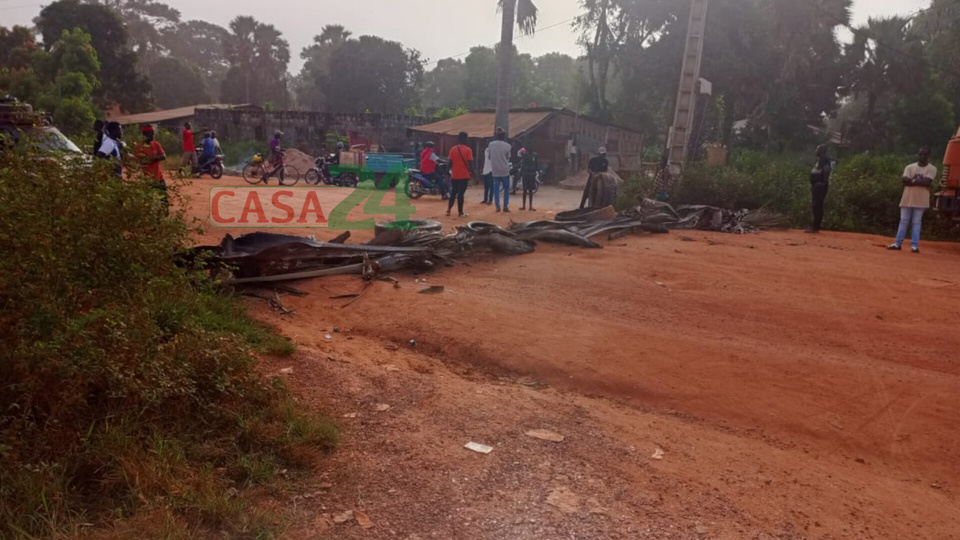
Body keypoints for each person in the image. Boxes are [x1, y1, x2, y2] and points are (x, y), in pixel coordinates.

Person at [888, 146, 937, 253]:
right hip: (907, 198)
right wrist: (918, 181)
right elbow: (904, 180)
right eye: (920, 154)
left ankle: (914, 245)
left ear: (928, 156)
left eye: (925, 154)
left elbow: (927, 182)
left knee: (916, 222)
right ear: (918, 155)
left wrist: (912, 181)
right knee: (903, 221)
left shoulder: (932, 168)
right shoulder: (910, 167)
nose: (922, 156)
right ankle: (898, 243)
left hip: (921, 200)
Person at [135, 123, 168, 205]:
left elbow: (164, 156)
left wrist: (152, 159)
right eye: (151, 134)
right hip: (148, 179)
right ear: (145, 134)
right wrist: (156, 158)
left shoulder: (156, 144)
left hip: (159, 177)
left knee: (164, 199)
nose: (153, 136)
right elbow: (141, 161)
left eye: (153, 134)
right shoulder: (140, 147)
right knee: (148, 201)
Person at [806, 143, 833, 233]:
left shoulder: (824, 160)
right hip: (816, 186)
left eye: (817, 149)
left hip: (819, 186)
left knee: (817, 206)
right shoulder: (821, 160)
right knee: (815, 205)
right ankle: (814, 225)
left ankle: (815, 226)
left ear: (821, 150)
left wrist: (823, 183)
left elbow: (827, 170)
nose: (816, 151)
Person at [447, 131, 474, 218]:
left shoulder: (453, 149)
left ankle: (448, 210)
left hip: (454, 175)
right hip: (464, 175)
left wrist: (447, 172)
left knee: (453, 193)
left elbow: (449, 162)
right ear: (466, 139)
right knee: (461, 194)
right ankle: (460, 212)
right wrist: (474, 173)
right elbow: (470, 163)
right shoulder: (468, 150)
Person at [487, 127, 512, 213]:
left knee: (496, 189)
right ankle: (505, 206)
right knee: (506, 188)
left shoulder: (491, 144)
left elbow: (489, 157)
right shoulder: (507, 146)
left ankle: (497, 206)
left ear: (496, 135)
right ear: (504, 136)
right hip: (505, 170)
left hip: (495, 170)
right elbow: (508, 157)